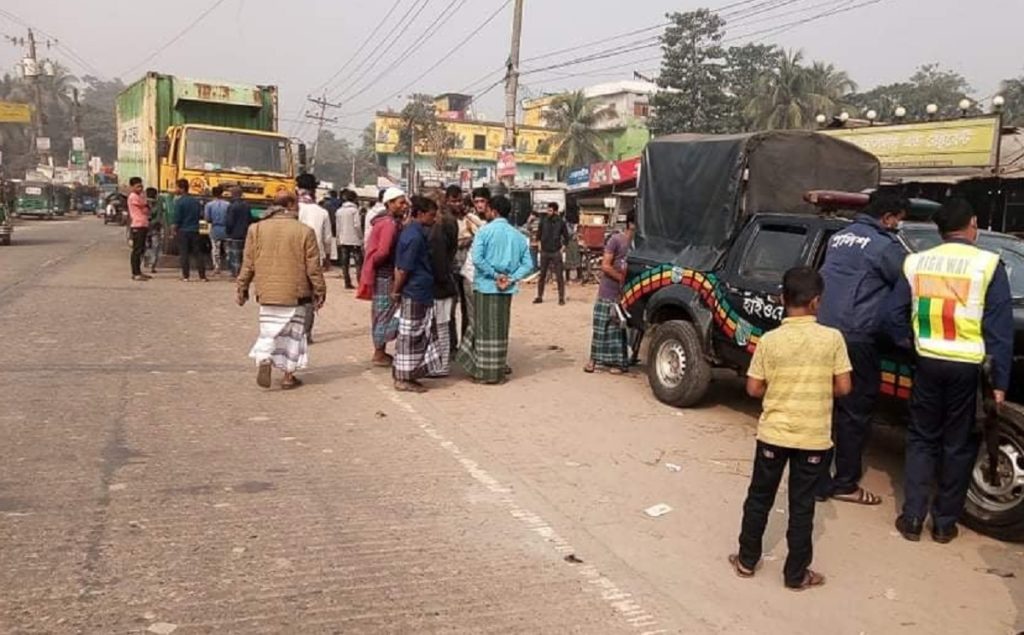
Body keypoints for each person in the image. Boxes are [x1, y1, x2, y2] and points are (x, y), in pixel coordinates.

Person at [884, 198, 1014, 544]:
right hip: (967, 369)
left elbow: (892, 316)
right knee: (958, 444)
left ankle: (913, 518)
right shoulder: (988, 264)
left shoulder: (916, 262)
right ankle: (944, 524)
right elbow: (1000, 331)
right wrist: (999, 383)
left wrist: (911, 344)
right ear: (972, 224)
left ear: (940, 231)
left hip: (927, 362)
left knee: (921, 439)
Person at [730, 267, 852, 591]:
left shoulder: (770, 340)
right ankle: (795, 574)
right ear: (817, 302)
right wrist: (818, 386)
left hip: (774, 434)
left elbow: (753, 388)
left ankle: (746, 560)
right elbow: (844, 387)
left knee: (759, 497)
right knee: (802, 505)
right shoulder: (833, 339)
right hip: (813, 438)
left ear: (782, 299)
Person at [815, 191, 909, 505]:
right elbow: (909, 284)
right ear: (888, 217)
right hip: (857, 337)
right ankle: (845, 483)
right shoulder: (885, 246)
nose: (898, 226)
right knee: (854, 413)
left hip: (824, 331)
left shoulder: (839, 237)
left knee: (824, 407)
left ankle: (816, 480)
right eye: (898, 220)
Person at [237, 190, 326, 391]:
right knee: (294, 335)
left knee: (269, 330)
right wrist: (320, 291)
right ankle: (288, 376)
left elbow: (248, 263)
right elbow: (313, 268)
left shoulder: (255, 229)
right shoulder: (304, 231)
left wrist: (242, 288)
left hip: (267, 293)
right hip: (296, 294)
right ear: (291, 204)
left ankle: (264, 357)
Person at [456, 195, 534, 385]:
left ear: (494, 211)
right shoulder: (518, 236)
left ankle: (483, 372)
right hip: (506, 289)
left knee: (482, 329)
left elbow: (477, 259)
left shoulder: (484, 231)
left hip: (485, 286)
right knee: (500, 329)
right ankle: (497, 371)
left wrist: (494, 275)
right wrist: (511, 278)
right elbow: (528, 264)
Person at [393, 196, 441, 392]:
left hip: (419, 290)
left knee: (417, 334)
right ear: (420, 214)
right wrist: (396, 291)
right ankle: (403, 378)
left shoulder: (414, 233)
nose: (434, 219)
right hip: (414, 290)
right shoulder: (413, 236)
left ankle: (408, 374)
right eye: (431, 215)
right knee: (410, 335)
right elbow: (403, 269)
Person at [359, 188, 409, 366]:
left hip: (381, 273)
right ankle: (379, 352)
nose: (404, 206)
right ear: (389, 203)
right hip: (386, 274)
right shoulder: (389, 224)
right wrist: (380, 263)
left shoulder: (383, 221)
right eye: (400, 203)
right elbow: (383, 251)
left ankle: (380, 350)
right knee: (385, 313)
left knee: (381, 312)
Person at [585, 210, 635, 374]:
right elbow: (605, 266)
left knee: (616, 329)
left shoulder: (638, 246)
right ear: (631, 224)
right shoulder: (616, 240)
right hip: (608, 290)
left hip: (625, 294)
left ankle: (617, 362)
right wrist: (621, 278)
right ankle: (593, 360)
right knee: (600, 326)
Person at [296, 173, 335, 343]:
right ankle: (306, 333)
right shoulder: (322, 212)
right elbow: (327, 239)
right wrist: (328, 258)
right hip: (315, 257)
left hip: (294, 256)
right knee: (310, 297)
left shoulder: (293, 209)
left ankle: (292, 331)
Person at [430, 189, 460, 375]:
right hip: (448, 273)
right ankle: (446, 355)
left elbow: (440, 255)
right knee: (446, 319)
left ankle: (440, 362)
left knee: (438, 323)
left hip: (439, 277)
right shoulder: (451, 221)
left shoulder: (437, 228)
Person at [454, 187, 487, 337]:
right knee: (466, 310)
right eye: (477, 201)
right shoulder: (467, 219)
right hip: (463, 269)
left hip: (480, 273)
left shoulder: (488, 220)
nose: (479, 205)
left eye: (482, 201)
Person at [534, 202, 571, 305]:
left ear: (555, 211)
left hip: (556, 252)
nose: (548, 212)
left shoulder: (561, 222)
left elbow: (567, 237)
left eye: (550, 210)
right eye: (548, 210)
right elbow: (538, 235)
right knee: (542, 275)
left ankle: (561, 298)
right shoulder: (543, 221)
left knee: (559, 276)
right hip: (544, 251)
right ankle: (539, 296)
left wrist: (562, 249)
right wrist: (540, 247)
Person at [171, 178, 207, 282]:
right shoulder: (196, 201)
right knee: (198, 253)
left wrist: (173, 230)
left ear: (182, 188)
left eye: (177, 187)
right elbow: (201, 215)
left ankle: (185, 276)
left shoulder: (179, 202)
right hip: (195, 230)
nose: (175, 189)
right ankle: (202, 276)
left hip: (183, 231)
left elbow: (177, 218)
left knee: (184, 253)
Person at [336, 189, 364, 289]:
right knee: (358, 262)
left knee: (345, 263)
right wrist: (361, 237)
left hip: (343, 238)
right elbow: (357, 225)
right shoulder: (355, 210)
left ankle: (347, 282)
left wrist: (338, 239)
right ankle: (360, 282)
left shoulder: (339, 211)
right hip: (354, 239)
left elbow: (338, 227)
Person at [224, 186, 252, 279]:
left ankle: (236, 273)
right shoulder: (247, 206)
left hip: (234, 234)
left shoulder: (232, 206)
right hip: (245, 234)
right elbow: (249, 219)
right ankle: (243, 273)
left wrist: (228, 232)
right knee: (243, 255)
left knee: (234, 255)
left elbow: (229, 222)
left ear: (233, 194)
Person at [127, 177, 151, 281]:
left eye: (141, 186)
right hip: (137, 225)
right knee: (137, 250)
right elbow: (145, 206)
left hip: (143, 225)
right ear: (132, 187)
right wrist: (146, 204)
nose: (140, 188)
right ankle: (135, 273)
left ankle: (139, 271)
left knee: (141, 249)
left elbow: (147, 209)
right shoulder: (133, 197)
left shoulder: (139, 196)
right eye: (137, 186)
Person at [203, 185, 231, 275]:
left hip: (215, 228)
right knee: (228, 249)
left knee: (215, 249)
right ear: (222, 193)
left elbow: (207, 218)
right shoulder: (228, 204)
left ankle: (217, 267)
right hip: (226, 228)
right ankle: (230, 267)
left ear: (213, 194)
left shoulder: (209, 205)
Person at [143, 187, 163, 274]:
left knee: (148, 246)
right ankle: (151, 265)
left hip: (147, 228)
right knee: (154, 247)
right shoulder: (158, 203)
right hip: (152, 228)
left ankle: (149, 263)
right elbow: (159, 217)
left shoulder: (143, 202)